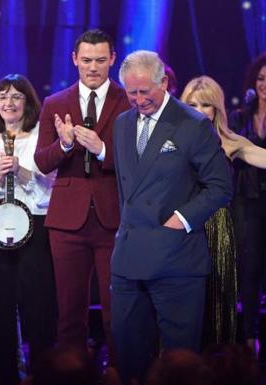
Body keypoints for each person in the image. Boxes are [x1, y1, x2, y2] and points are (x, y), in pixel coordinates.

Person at [111, 50, 233, 384]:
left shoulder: (192, 124)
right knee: (128, 355)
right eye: (131, 92)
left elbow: (221, 185)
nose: (138, 100)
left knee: (180, 363)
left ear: (163, 82)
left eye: (144, 91)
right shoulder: (122, 124)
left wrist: (182, 217)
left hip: (177, 260)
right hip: (128, 261)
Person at [33, 29, 130, 361]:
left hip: (114, 218)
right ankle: (71, 372)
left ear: (112, 59)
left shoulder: (128, 100)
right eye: (86, 60)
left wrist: (102, 149)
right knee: (70, 310)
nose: (93, 67)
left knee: (117, 308)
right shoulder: (55, 103)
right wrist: (64, 145)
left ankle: (119, 371)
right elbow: (42, 162)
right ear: (74, 59)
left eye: (100, 60)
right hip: (67, 222)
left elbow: (141, 159)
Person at [0, 74, 56, 384]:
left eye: (16, 97)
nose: (9, 103)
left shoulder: (41, 134)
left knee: (38, 302)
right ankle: (3, 373)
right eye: (3, 97)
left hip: (35, 222)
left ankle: (43, 371)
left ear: (28, 102)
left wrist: (22, 172)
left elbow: (52, 185)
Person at [179, 75, 246, 346]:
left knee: (217, 298)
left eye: (205, 105)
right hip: (182, 227)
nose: (199, 111)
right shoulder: (172, 141)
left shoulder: (229, 142)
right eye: (192, 104)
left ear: (216, 109)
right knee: (183, 301)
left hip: (217, 228)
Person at [227, 53, 266, 354]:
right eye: (261, 78)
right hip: (247, 201)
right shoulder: (239, 117)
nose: (265, 84)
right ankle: (249, 338)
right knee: (249, 270)